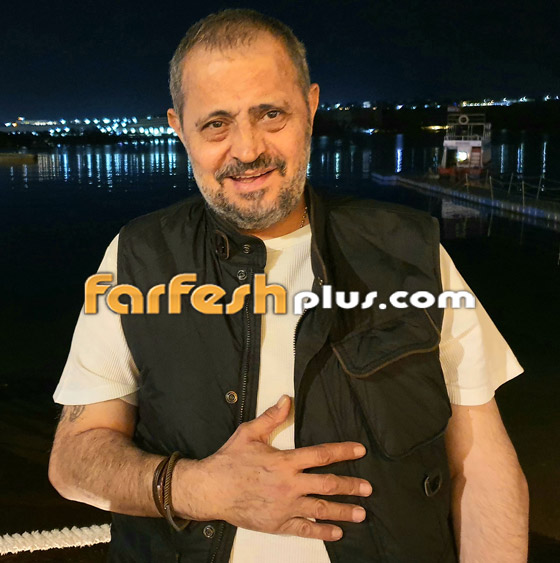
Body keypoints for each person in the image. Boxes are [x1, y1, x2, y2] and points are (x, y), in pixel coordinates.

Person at [48, 9, 529, 563]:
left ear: (311, 106)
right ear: (179, 129)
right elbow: (74, 460)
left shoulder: (411, 255)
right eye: (216, 124)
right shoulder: (137, 259)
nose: (247, 150)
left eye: (271, 114)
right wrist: (201, 489)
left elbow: (482, 467)